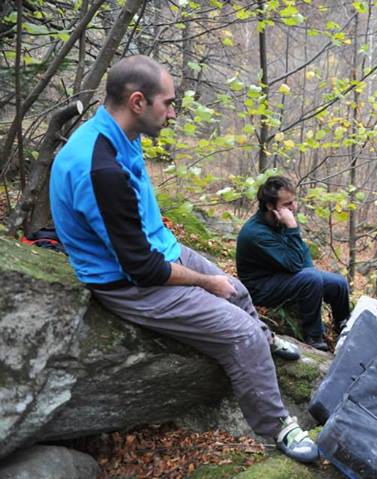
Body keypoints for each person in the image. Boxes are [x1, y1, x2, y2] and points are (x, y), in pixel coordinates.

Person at [49, 55, 318, 463]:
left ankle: (264, 340)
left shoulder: (120, 133)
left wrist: (211, 279)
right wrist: (205, 282)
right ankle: (277, 426)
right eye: (169, 103)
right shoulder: (100, 168)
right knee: (241, 336)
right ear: (138, 102)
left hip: (158, 249)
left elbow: (138, 228)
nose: (173, 113)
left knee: (237, 291)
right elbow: (142, 269)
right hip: (128, 283)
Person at [235, 176, 350, 351]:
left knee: (338, 283)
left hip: (282, 273)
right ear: (270, 206)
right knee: (311, 279)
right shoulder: (256, 233)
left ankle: (343, 327)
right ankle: (313, 337)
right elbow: (295, 264)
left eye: (294, 201)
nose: (293, 207)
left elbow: (303, 256)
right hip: (261, 287)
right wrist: (292, 227)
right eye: (287, 204)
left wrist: (309, 271)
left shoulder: (278, 221)